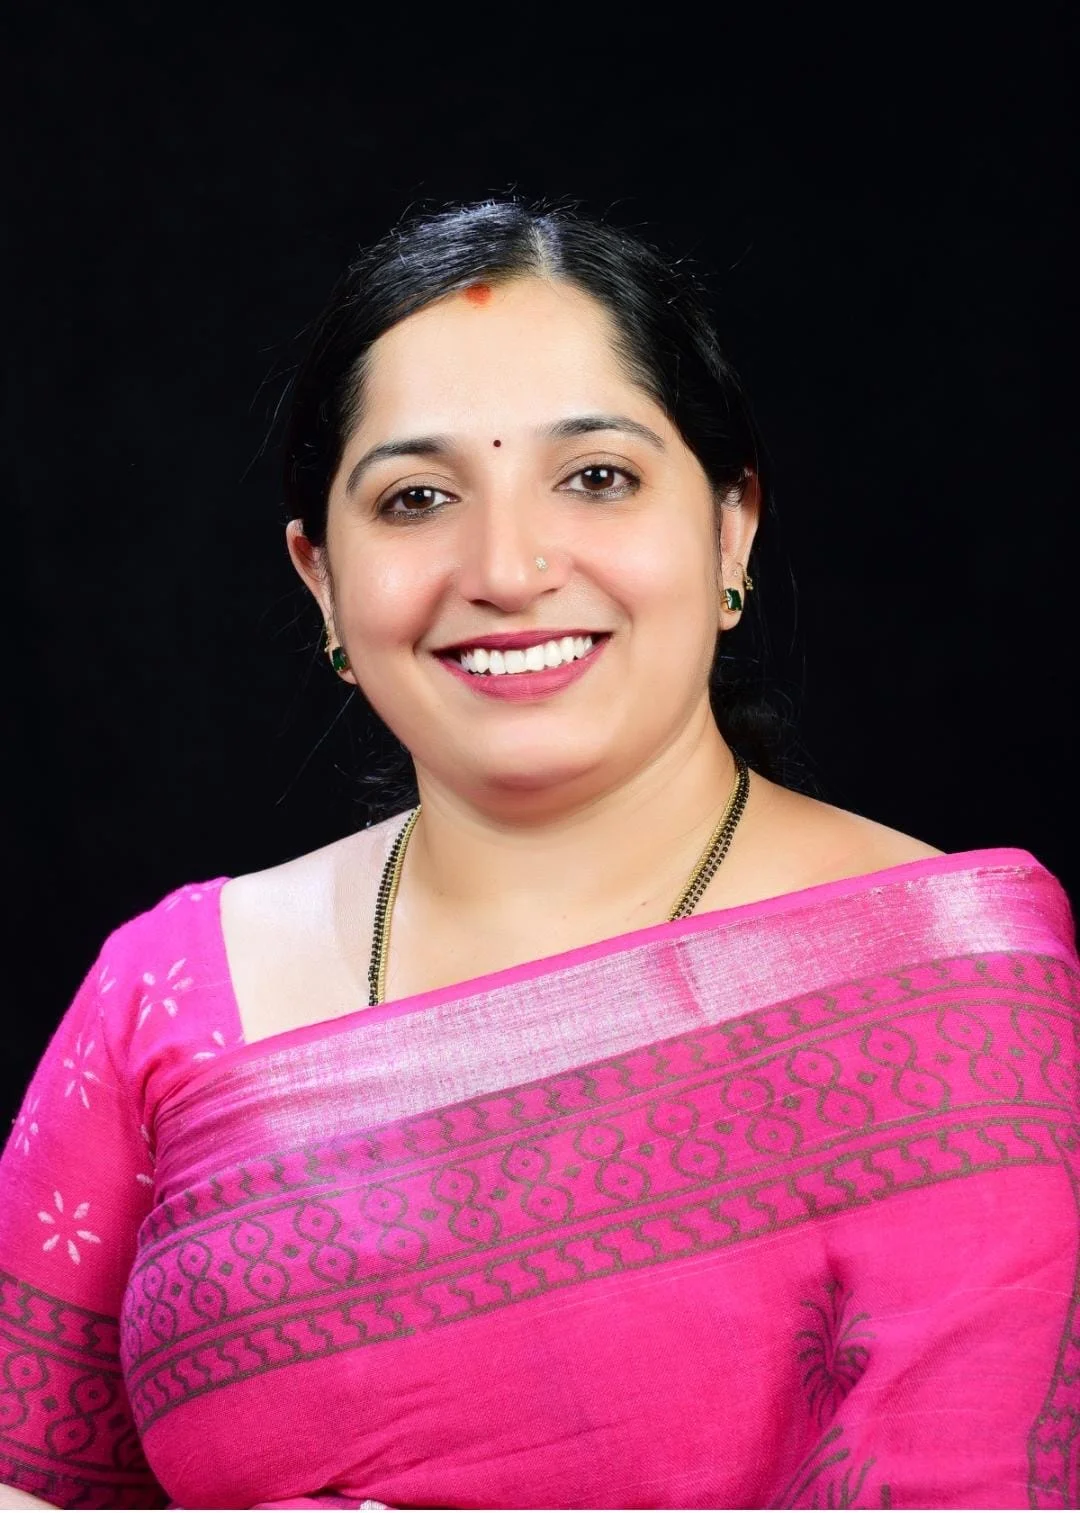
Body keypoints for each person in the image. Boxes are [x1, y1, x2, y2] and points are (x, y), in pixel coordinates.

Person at [1, 199, 1077, 1512]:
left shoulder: (945, 983)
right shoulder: (170, 989)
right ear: (321, 578)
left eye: (598, 477)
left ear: (731, 526)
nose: (507, 570)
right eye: (416, 499)